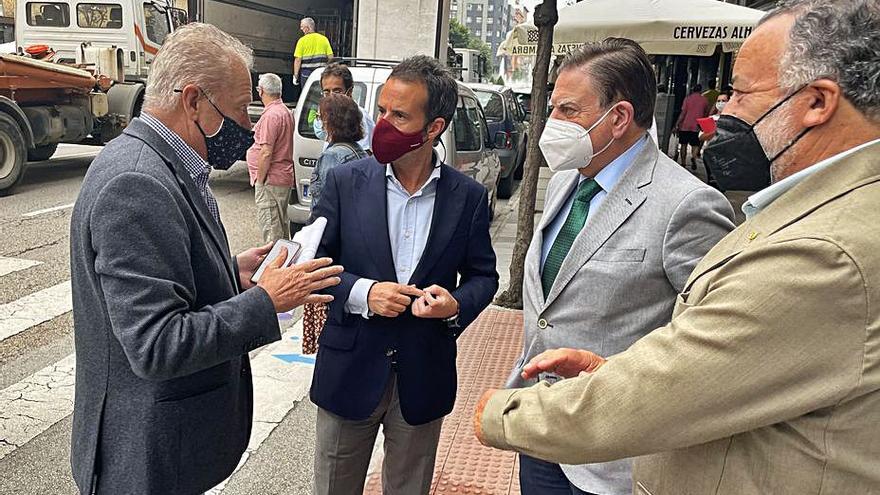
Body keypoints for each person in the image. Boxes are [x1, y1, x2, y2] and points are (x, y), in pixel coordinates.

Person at [475, 1, 880, 493]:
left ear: (818, 102)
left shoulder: (818, 246)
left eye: (738, 92)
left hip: (612, 456)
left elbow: (698, 351)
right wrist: (604, 372)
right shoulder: (567, 181)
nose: (721, 110)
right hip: (555, 436)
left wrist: (502, 414)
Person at [68, 23, 343, 495]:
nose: (248, 127)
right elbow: (156, 344)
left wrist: (230, 270)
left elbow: (167, 271)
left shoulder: (165, 163)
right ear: (193, 100)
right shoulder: (136, 183)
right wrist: (266, 301)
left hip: (166, 451)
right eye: (238, 110)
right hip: (146, 459)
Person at [508, 39, 735, 495]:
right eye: (551, 107)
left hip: (615, 458)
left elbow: (714, 339)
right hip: (541, 428)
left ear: (618, 118)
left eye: (568, 110)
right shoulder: (568, 181)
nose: (551, 124)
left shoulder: (686, 205)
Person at [310, 55, 499, 495]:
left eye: (399, 115)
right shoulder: (345, 181)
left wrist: (455, 306)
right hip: (349, 369)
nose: (382, 123)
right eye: (380, 110)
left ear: (433, 127)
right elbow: (312, 262)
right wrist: (363, 292)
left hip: (422, 374)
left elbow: (483, 277)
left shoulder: (467, 197)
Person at [302, 93, 369, 355]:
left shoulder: (333, 156)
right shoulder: (358, 152)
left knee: (325, 315)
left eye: (320, 117)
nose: (318, 122)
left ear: (331, 121)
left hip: (329, 243)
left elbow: (324, 207)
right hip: (352, 241)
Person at [247, 72, 295, 243]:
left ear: (260, 91)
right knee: (280, 228)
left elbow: (266, 152)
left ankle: (275, 266)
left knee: (272, 232)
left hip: (271, 179)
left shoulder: (271, 115)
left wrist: (260, 180)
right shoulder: (285, 111)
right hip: (282, 177)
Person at [312, 62, 376, 152]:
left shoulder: (359, 117)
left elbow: (362, 157)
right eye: (326, 92)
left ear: (349, 92)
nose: (331, 97)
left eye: (337, 91)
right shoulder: (330, 116)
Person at [675, 83, 708, 169]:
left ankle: (683, 163)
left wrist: (677, 123)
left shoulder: (687, 99)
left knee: (683, 144)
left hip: (685, 125)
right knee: (695, 144)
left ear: (693, 90)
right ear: (701, 90)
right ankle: (693, 156)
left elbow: (683, 113)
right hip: (696, 126)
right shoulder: (704, 100)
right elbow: (705, 114)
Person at [293, 17, 333, 87]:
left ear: (307, 28)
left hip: (306, 75)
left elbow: (298, 60)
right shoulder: (324, 39)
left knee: (308, 95)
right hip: (321, 73)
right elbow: (331, 57)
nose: (301, 29)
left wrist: (295, 76)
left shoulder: (301, 41)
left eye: (302, 27)